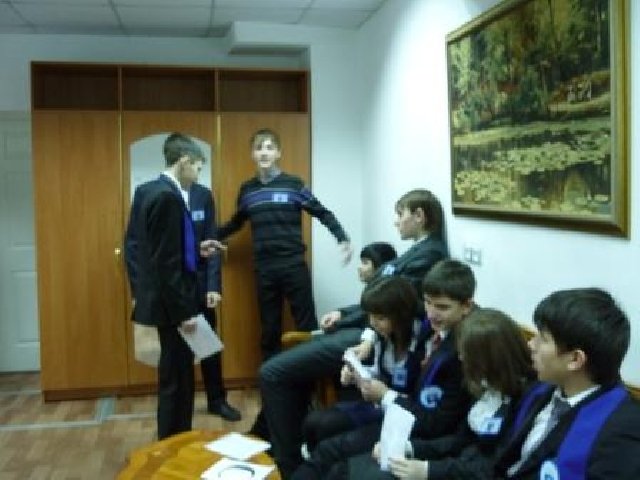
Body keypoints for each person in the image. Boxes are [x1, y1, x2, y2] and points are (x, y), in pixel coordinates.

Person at [259, 188, 449, 477]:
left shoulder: (430, 254)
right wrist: (343, 313)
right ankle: (278, 445)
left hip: (370, 333)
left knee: (273, 372)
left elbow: (390, 304)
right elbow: (378, 297)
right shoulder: (417, 250)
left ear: (419, 216)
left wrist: (365, 334)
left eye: (400, 214)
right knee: (282, 372)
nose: (396, 221)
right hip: (368, 327)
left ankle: (285, 464)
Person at [290, 259, 475, 479]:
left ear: (466, 306)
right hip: (402, 412)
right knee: (322, 437)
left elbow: (435, 424)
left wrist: (386, 395)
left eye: (442, 307)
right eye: (428, 303)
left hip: (415, 428)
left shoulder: (462, 350)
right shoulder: (433, 325)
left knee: (332, 455)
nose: (431, 313)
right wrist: (367, 345)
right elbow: (383, 308)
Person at [347, 307, 538, 479]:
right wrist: (410, 448)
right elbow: (460, 440)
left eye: (467, 354)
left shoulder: (525, 401)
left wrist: (429, 470)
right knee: (359, 467)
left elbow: (492, 466)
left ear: (490, 357)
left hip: (468, 471)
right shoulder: (483, 386)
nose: (461, 358)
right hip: (457, 464)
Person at [216, 128, 353, 361]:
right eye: (259, 148)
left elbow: (322, 212)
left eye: (269, 147)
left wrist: (342, 238)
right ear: (252, 154)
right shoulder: (247, 190)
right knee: (269, 329)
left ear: (278, 153)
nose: (264, 153)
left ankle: (311, 382)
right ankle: (273, 380)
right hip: (264, 269)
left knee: (307, 326)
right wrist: (211, 237)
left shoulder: (294, 184)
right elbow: (236, 222)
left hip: (293, 265)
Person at [124, 132, 223, 439]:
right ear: (183, 161)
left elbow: (151, 248)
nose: (198, 174)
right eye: (197, 167)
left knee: (177, 377)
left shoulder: (148, 191)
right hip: (174, 306)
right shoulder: (168, 197)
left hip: (163, 301)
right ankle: (173, 443)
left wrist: (196, 248)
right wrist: (185, 314)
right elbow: (166, 265)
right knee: (177, 382)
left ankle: (176, 440)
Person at [493, 288, 640, 479]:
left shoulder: (619, 436)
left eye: (543, 339)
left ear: (575, 359)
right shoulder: (542, 387)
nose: (531, 344)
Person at [302, 275, 423, 452]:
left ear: (401, 316)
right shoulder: (383, 337)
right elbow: (380, 373)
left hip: (404, 417)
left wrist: (385, 394)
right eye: (371, 316)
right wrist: (356, 375)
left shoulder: (422, 344)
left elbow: (417, 402)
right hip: (380, 405)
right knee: (313, 422)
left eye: (380, 318)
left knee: (327, 429)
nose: (373, 323)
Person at [189, 182, 241, 421]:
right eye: (196, 165)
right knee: (176, 353)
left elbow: (212, 242)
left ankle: (216, 401)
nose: (198, 169)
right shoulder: (161, 194)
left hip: (200, 287)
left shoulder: (202, 195)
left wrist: (213, 286)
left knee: (207, 345)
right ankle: (180, 405)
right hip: (173, 287)